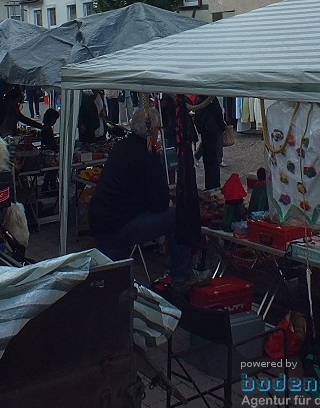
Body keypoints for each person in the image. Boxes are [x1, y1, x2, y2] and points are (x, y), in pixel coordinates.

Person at [88, 109, 207, 290]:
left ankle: (176, 271)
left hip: (101, 222)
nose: (158, 133)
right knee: (178, 215)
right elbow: (159, 202)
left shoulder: (122, 147)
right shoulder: (146, 154)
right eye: (157, 129)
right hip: (119, 225)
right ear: (152, 130)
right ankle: (182, 275)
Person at [188, 94, 226, 191]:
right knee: (212, 159)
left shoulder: (200, 99)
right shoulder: (209, 99)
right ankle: (213, 184)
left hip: (207, 129)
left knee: (209, 159)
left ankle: (211, 184)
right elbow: (218, 113)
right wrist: (221, 127)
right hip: (211, 130)